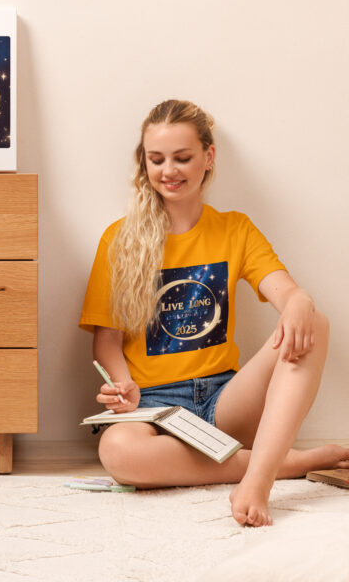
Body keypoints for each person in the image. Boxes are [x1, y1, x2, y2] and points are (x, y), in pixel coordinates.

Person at [79, 99, 349, 527]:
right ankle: (286, 463)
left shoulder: (234, 229)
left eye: (183, 157)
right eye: (157, 159)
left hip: (225, 403)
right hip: (155, 409)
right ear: (144, 163)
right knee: (117, 452)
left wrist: (298, 301)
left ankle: (257, 480)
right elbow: (107, 339)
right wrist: (123, 386)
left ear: (208, 157)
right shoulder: (119, 239)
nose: (169, 170)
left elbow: (284, 291)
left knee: (313, 321)